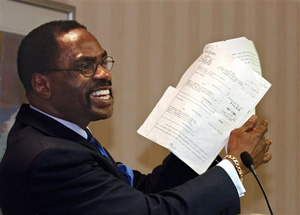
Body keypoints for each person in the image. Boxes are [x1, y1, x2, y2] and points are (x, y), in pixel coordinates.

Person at [0, 20, 272, 215]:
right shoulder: (50, 156)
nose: (104, 74)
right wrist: (235, 166)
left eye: (103, 62)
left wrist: (208, 136)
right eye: (85, 66)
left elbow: (143, 190)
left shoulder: (64, 137)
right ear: (42, 85)